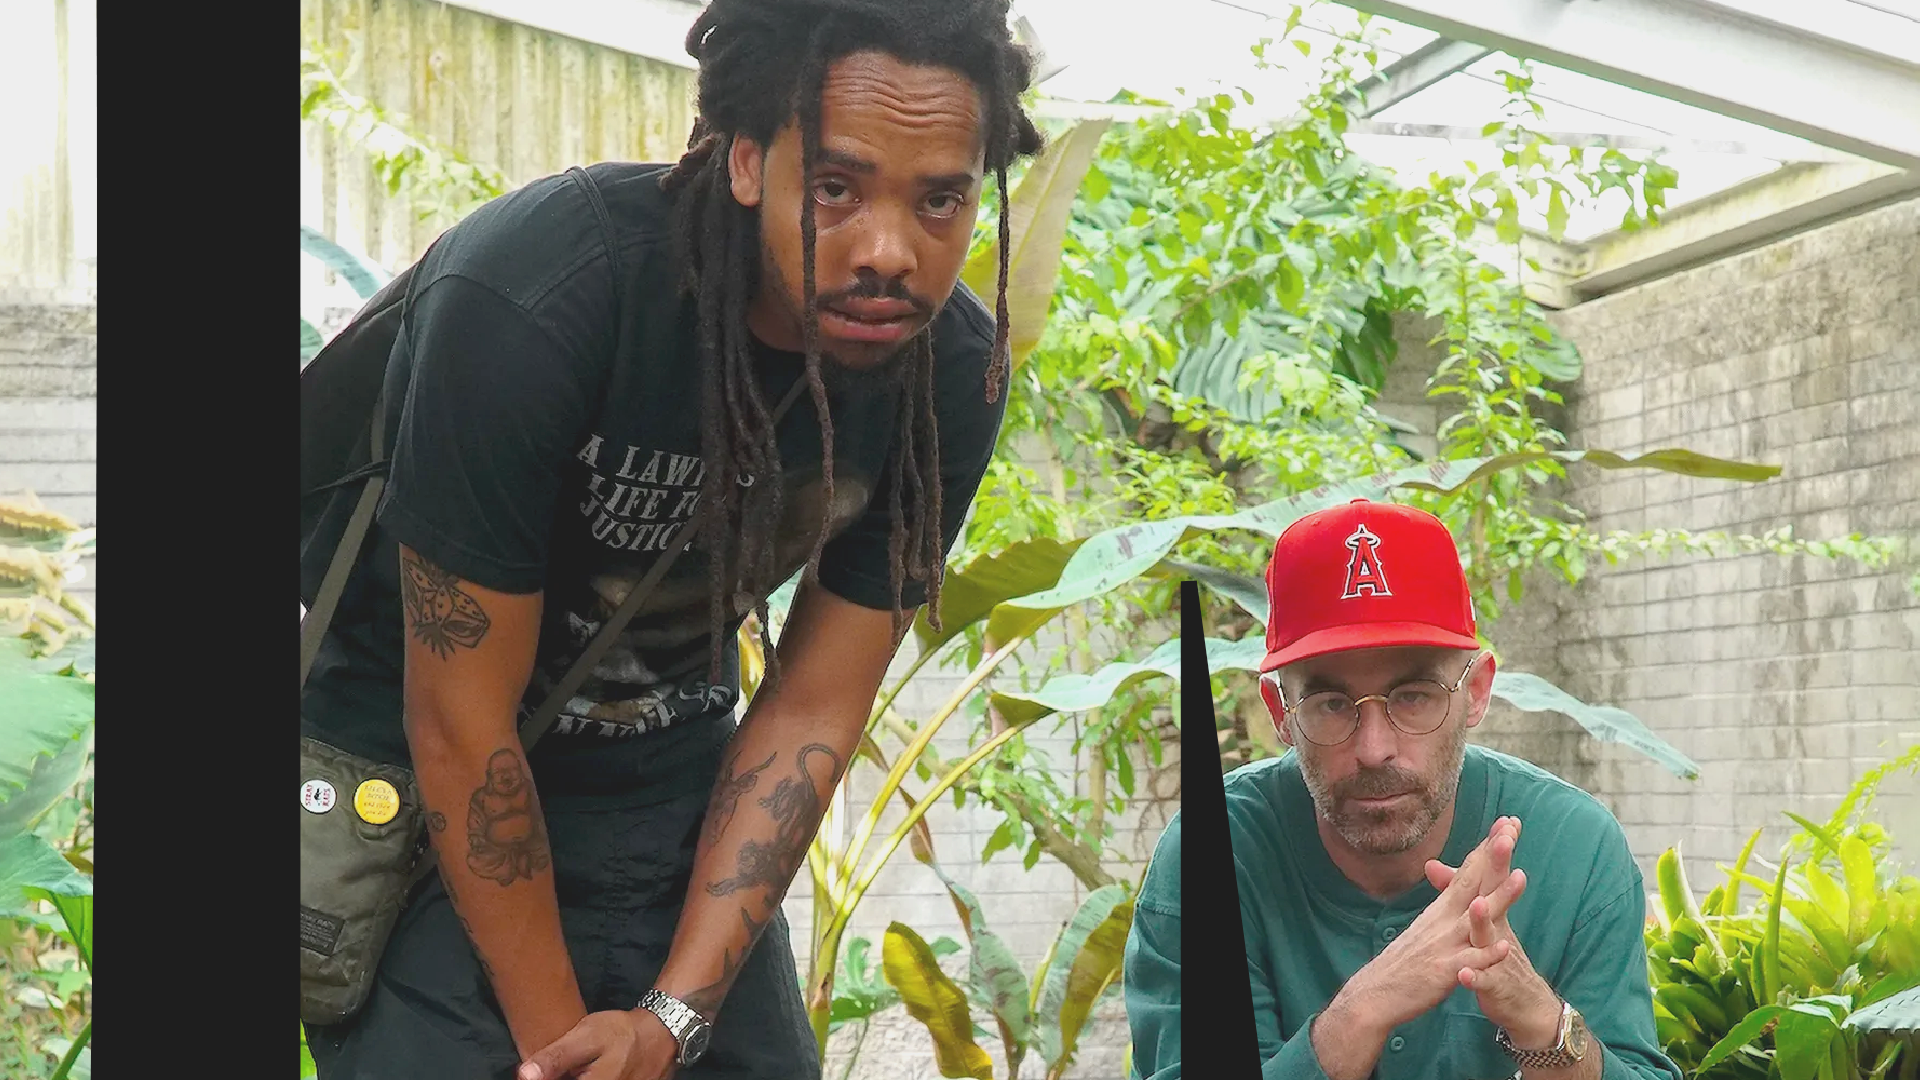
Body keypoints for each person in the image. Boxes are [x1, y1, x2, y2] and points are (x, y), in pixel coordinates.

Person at [299, 2, 1043, 1078]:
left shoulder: (948, 376)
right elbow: (458, 719)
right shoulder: (544, 294)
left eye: (941, 199)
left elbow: (814, 704)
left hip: (672, 798)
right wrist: (564, 1052)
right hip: (421, 810)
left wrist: (674, 1018)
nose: (891, 252)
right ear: (745, 159)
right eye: (835, 188)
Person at [1124, 499, 1682, 1080]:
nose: (1374, 749)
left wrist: (1540, 1021)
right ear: (1280, 711)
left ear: (1476, 693)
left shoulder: (1575, 849)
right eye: (1331, 704)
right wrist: (1361, 1012)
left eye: (1414, 697)